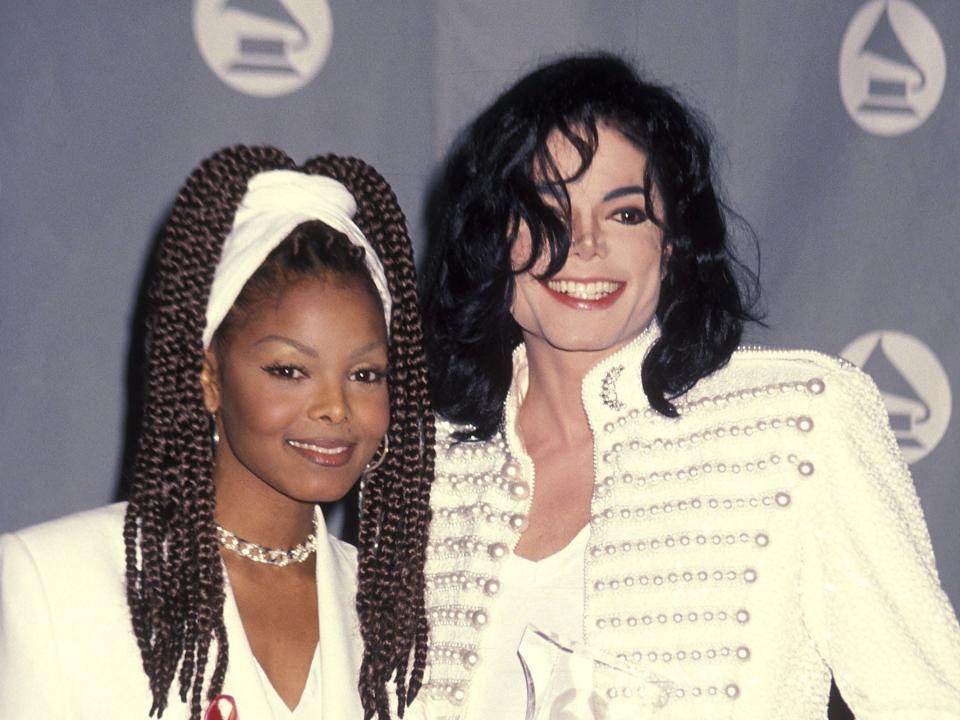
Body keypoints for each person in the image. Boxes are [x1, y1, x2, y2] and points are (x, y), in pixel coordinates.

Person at [413, 53, 960, 719]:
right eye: (547, 210)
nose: (584, 245)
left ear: (671, 245)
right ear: (495, 239)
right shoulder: (428, 466)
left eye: (624, 215)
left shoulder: (801, 426)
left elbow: (929, 700)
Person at [0, 146, 433, 720]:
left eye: (365, 374)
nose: (336, 407)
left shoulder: (397, 615)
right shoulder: (50, 583)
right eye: (289, 371)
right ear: (208, 378)